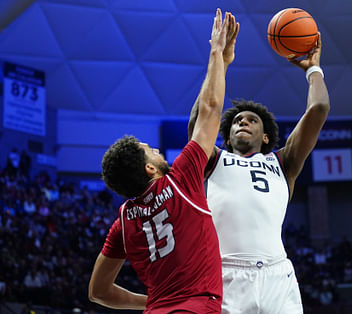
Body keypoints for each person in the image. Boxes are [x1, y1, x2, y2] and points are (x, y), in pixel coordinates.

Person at [88, 9, 239, 313]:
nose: (157, 150)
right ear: (150, 168)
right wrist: (217, 53)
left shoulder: (123, 222)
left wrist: (156, 303)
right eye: (151, 150)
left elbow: (98, 292)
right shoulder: (180, 180)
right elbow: (209, 109)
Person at [188, 32, 330, 313]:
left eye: (252, 120)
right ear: (227, 138)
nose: (243, 122)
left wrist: (313, 69)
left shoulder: (283, 162)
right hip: (225, 273)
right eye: (237, 120)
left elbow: (319, 108)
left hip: (277, 274)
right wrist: (221, 61)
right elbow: (200, 119)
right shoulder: (214, 159)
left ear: (265, 137)